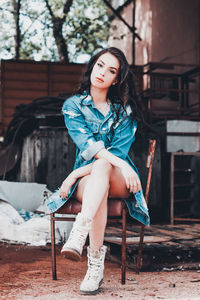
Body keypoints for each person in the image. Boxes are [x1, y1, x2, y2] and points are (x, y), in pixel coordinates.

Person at [47, 47, 150, 295]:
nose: (103, 73)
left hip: (120, 178)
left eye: (111, 70)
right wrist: (76, 174)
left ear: (117, 79)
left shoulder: (124, 112)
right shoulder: (73, 106)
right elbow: (88, 147)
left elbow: (118, 155)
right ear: (92, 66)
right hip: (89, 176)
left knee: (106, 163)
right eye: (100, 65)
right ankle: (95, 264)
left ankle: (80, 229)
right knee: (100, 171)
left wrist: (121, 165)